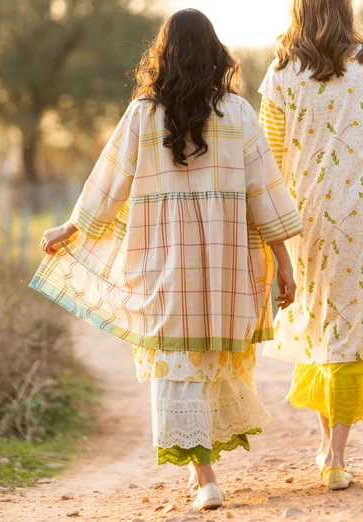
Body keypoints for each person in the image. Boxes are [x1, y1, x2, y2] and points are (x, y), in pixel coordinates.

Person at [31, 9, 301, 510]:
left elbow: (109, 184)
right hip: (222, 268)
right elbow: (265, 193)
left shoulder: (143, 113)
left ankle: (205, 479)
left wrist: (71, 227)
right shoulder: (237, 113)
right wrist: (283, 261)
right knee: (205, 361)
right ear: (215, 54)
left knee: (177, 365)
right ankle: (206, 473)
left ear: (165, 54)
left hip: (163, 263)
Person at [259, 0, 363, 491]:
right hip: (359, 215)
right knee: (349, 330)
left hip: (306, 219)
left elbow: (269, 157)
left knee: (322, 328)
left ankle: (330, 452)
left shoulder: (281, 73)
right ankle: (337, 454)